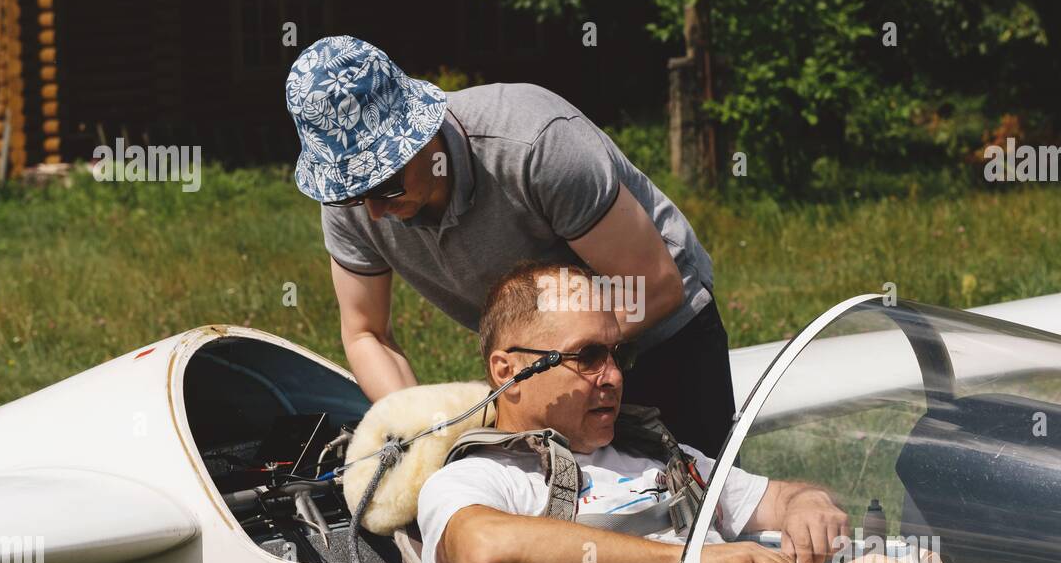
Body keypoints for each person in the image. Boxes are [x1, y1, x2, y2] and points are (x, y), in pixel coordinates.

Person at [415, 259, 983, 563]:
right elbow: (483, 549)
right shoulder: (479, 477)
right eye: (587, 357)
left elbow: (777, 498)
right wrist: (692, 562)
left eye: (618, 353)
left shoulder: (656, 456)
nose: (612, 375)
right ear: (508, 372)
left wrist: (808, 505)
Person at [286, 35, 735, 457]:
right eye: (350, 194)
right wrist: (425, 431)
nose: (373, 214)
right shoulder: (354, 201)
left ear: (421, 135)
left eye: (384, 187)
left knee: (700, 514)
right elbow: (368, 333)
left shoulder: (536, 144)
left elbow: (653, 286)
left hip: (662, 336)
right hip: (540, 365)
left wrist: (547, 368)